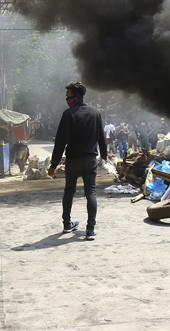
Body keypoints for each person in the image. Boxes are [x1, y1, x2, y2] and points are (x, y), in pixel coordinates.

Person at [47, 81, 108, 241]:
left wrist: (53, 165)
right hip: (90, 160)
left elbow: (60, 142)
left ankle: (67, 224)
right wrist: (104, 155)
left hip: (73, 161)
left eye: (68, 96)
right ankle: (90, 230)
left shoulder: (69, 114)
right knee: (91, 193)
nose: (66, 99)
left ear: (76, 96)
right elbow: (102, 138)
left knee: (69, 191)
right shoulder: (95, 113)